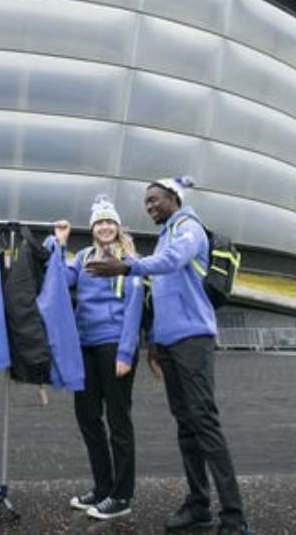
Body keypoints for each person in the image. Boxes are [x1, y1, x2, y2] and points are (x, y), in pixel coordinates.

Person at [85, 177, 251, 535]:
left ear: (174, 198)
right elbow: (160, 293)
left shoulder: (188, 228)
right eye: (146, 202)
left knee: (204, 422)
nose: (150, 206)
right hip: (171, 343)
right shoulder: (165, 236)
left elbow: (173, 261)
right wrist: (156, 344)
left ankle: (235, 516)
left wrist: (128, 266)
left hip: (194, 339)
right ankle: (198, 504)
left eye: (155, 199)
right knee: (186, 426)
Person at [54, 195, 144, 521]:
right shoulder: (83, 257)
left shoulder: (130, 259)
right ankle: (103, 487)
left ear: (117, 227)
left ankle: (122, 495)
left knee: (119, 422)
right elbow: (61, 281)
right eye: (99, 222)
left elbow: (134, 309)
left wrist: (125, 353)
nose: (105, 226)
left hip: (114, 347)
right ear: (92, 229)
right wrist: (60, 245)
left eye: (110, 221)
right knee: (88, 418)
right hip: (85, 347)